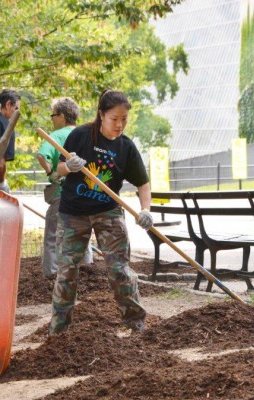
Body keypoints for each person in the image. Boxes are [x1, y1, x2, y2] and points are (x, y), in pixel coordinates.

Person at [49, 90, 154, 335]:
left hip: (108, 212)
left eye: (124, 119)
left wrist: (146, 210)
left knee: (120, 270)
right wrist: (69, 166)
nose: (119, 125)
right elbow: (57, 170)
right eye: (114, 118)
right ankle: (59, 331)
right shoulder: (80, 135)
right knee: (67, 272)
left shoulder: (126, 148)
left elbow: (143, 184)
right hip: (72, 213)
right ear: (101, 115)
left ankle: (135, 323)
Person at [36, 97, 92, 279]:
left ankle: (51, 274)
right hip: (86, 194)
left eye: (53, 115)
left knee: (53, 233)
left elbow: (42, 156)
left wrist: (52, 172)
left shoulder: (56, 136)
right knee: (82, 233)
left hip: (62, 194)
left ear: (61, 116)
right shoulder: (86, 134)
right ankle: (86, 269)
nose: (52, 119)